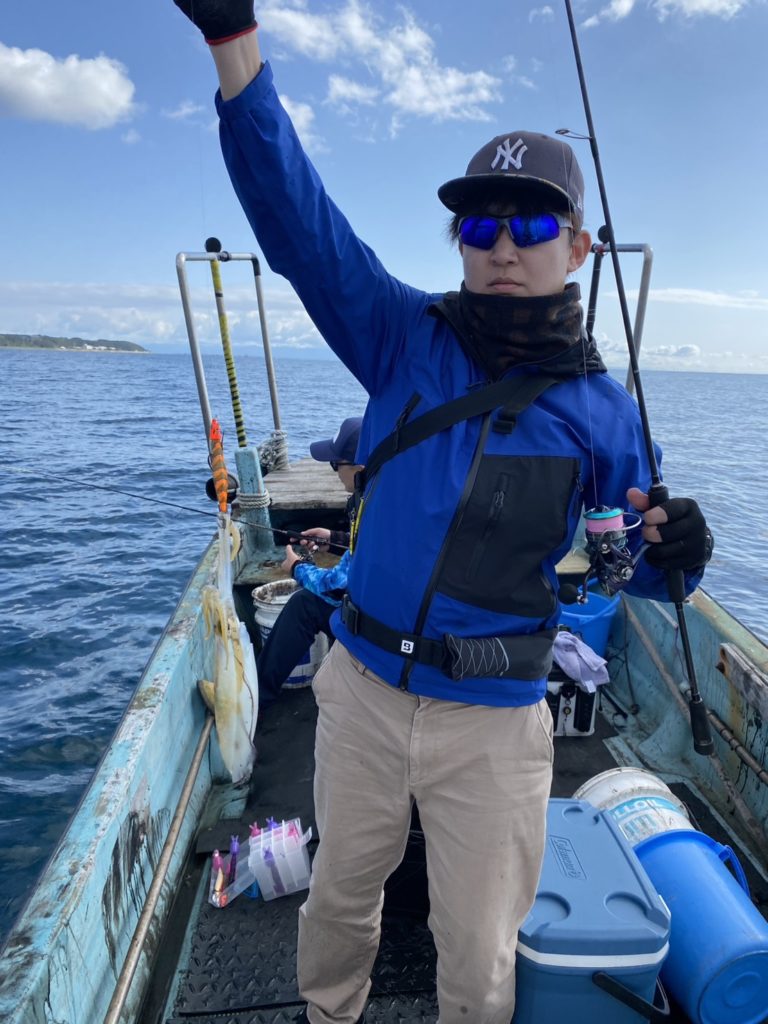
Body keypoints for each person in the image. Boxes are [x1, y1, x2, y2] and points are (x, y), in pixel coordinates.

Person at [170, 7, 713, 1023]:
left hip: (495, 725)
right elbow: (299, 222)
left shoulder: (605, 413)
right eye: (479, 225)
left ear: (578, 246)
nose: (503, 245)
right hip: (363, 694)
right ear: (459, 241)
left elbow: (631, 567)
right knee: (339, 900)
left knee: (479, 949)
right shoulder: (396, 333)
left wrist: (676, 551)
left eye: (532, 226)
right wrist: (234, 45)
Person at [257, 417, 363, 716]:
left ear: (359, 468)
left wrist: (297, 567)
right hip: (400, 618)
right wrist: (336, 540)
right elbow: (371, 550)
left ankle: (257, 702)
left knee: (305, 604)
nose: (334, 471)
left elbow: (337, 588)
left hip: (381, 632)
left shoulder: (373, 507)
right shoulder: (391, 499)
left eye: (335, 464)